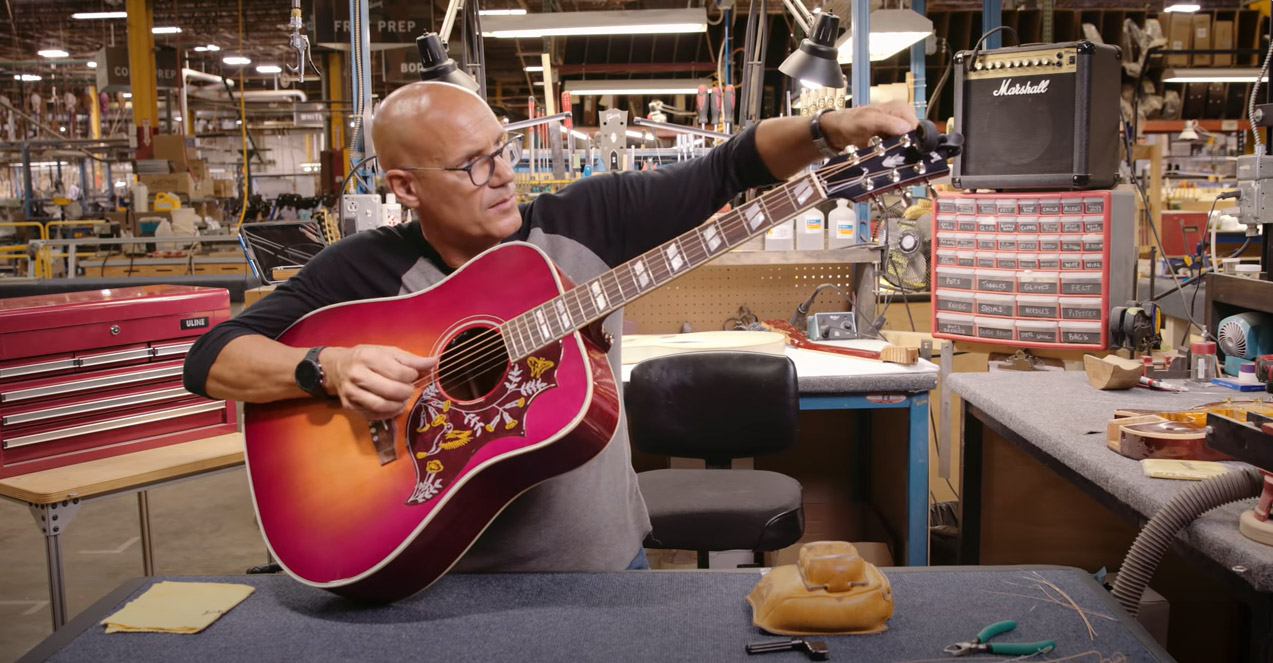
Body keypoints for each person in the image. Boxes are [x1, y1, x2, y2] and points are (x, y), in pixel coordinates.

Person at [183, 81, 916, 573]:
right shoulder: (363, 269)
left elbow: (734, 165)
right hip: (432, 573)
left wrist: (827, 131)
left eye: (499, 149)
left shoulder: (590, 220)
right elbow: (212, 355)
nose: (501, 173)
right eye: (471, 165)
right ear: (404, 188)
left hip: (602, 566)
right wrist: (325, 368)